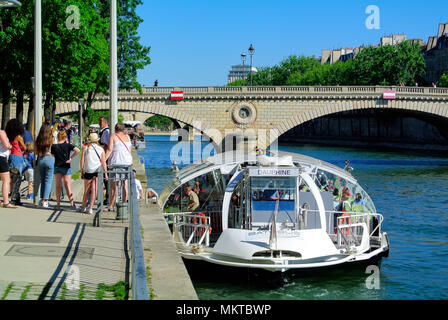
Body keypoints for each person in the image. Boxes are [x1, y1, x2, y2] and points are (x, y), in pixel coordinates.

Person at [105, 123, 133, 212]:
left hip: (116, 162)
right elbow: (129, 150)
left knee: (114, 185)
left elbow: (109, 150)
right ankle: (124, 205)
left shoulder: (113, 136)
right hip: (127, 163)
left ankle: (111, 206)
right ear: (123, 129)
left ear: (115, 129)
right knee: (125, 184)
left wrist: (102, 161)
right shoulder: (128, 137)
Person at [79, 132, 108, 214]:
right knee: (94, 190)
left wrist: (81, 171)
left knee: (86, 190)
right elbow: (103, 162)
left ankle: (83, 206)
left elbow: (82, 161)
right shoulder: (101, 149)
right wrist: (105, 173)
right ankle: (90, 207)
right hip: (97, 171)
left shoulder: (85, 148)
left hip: (88, 171)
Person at [51, 130, 80, 210]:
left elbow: (52, 155)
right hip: (66, 166)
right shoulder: (68, 145)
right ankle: (72, 203)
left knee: (58, 186)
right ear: (65, 137)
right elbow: (78, 150)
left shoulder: (54, 146)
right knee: (67, 185)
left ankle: (58, 204)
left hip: (57, 166)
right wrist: (71, 158)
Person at [5, 119, 26, 206]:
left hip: (11, 156)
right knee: (18, 179)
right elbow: (24, 147)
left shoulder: (8, 137)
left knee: (12, 178)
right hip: (18, 157)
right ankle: (14, 199)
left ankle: (16, 197)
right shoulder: (18, 137)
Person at [35, 123, 55, 208]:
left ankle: (41, 199)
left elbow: (35, 151)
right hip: (49, 158)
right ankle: (45, 200)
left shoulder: (38, 139)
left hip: (41, 158)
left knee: (43, 180)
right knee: (48, 180)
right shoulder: (52, 138)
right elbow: (54, 148)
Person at [0, 128, 16, 208]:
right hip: (1, 157)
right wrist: (10, 146)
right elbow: (6, 145)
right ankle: (6, 202)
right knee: (6, 180)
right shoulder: (1, 132)